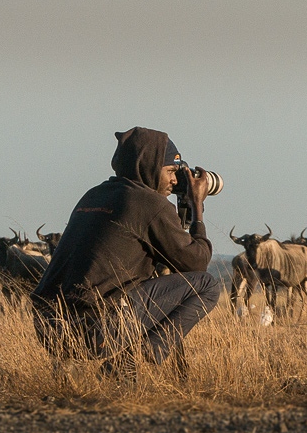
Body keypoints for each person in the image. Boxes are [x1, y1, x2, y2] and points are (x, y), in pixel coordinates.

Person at [32, 126, 220, 379]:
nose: (175, 181)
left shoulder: (94, 195)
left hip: (50, 329)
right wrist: (197, 206)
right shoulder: (148, 203)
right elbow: (196, 263)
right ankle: (126, 365)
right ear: (150, 166)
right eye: (171, 172)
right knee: (206, 285)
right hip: (95, 330)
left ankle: (73, 366)